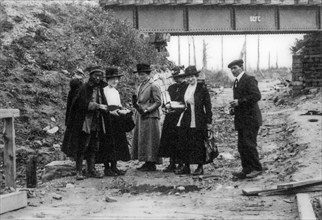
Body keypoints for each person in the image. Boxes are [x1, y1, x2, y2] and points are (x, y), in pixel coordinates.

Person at [62, 66, 107, 180]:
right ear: (91, 76)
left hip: (96, 121)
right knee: (82, 146)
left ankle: (91, 170)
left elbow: (103, 102)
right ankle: (79, 171)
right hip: (84, 121)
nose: (98, 78)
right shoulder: (84, 88)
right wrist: (97, 106)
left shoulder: (100, 89)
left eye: (100, 76)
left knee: (93, 146)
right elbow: (82, 104)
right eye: (95, 75)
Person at [228, 59, 263, 179]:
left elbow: (256, 96)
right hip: (242, 119)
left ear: (242, 67)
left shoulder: (249, 79)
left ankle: (256, 168)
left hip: (251, 119)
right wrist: (234, 107)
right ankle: (246, 169)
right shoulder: (236, 82)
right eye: (231, 69)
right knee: (242, 145)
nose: (233, 71)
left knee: (249, 144)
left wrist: (240, 101)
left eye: (235, 68)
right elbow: (240, 100)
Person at [175, 66, 212, 175]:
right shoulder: (185, 88)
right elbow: (181, 101)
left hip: (198, 118)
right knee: (185, 141)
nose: (190, 79)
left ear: (196, 76)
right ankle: (186, 166)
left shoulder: (202, 88)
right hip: (186, 118)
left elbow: (208, 106)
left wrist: (209, 121)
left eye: (192, 76)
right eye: (188, 77)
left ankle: (200, 166)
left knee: (199, 142)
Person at [96, 67, 132, 176]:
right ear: (108, 80)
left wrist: (123, 110)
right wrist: (110, 112)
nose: (115, 81)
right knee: (108, 143)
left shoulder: (116, 91)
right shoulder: (103, 91)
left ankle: (114, 167)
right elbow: (102, 106)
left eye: (117, 79)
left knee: (117, 142)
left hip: (117, 119)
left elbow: (118, 104)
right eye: (113, 79)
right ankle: (107, 168)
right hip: (107, 119)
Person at [132, 63, 162, 171]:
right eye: (139, 74)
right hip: (141, 114)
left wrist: (147, 109)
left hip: (151, 116)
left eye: (143, 74)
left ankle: (151, 162)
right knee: (143, 139)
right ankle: (146, 161)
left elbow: (158, 102)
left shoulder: (153, 85)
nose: (141, 76)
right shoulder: (141, 85)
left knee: (150, 139)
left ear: (148, 74)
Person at [158, 66, 186, 172]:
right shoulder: (171, 88)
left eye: (179, 77)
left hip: (181, 116)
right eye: (175, 77)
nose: (177, 79)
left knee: (180, 140)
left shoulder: (187, 87)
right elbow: (167, 101)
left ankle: (181, 163)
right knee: (170, 139)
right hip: (171, 117)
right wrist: (165, 107)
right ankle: (172, 163)